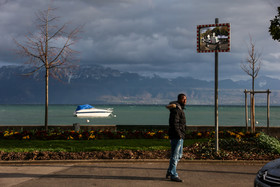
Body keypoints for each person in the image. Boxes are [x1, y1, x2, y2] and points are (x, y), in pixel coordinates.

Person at [165, 93, 187, 182]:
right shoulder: (176, 110)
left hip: (179, 135)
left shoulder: (179, 108)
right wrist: (179, 135)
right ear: (179, 99)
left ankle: (170, 171)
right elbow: (174, 123)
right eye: (183, 99)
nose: (185, 101)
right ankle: (173, 175)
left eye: (186, 99)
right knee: (175, 155)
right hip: (176, 136)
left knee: (179, 155)